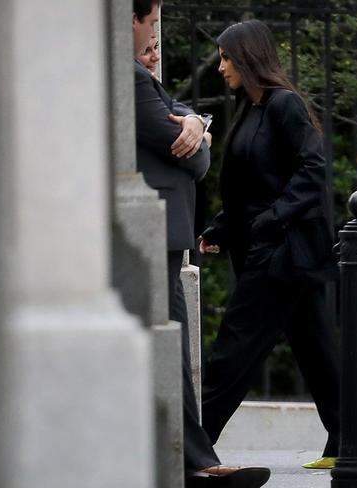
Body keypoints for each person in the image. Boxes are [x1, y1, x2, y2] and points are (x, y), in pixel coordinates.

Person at [132, 2, 270, 487]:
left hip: (164, 234)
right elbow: (190, 160)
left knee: (176, 347)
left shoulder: (138, 76)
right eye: (151, 26)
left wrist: (193, 122)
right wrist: (197, 135)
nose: (154, 38)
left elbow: (177, 115)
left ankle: (195, 460)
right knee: (168, 347)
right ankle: (193, 461)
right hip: (151, 232)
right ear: (131, 21)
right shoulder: (129, 78)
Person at [198, 19, 341, 470]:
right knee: (316, 348)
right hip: (267, 246)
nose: (221, 66)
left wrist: (269, 221)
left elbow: (312, 171)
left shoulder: (284, 105)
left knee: (233, 349)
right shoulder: (252, 107)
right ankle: (351, 440)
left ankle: (191, 446)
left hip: (281, 251)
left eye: (226, 56)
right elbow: (247, 186)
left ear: (247, 56)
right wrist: (222, 227)